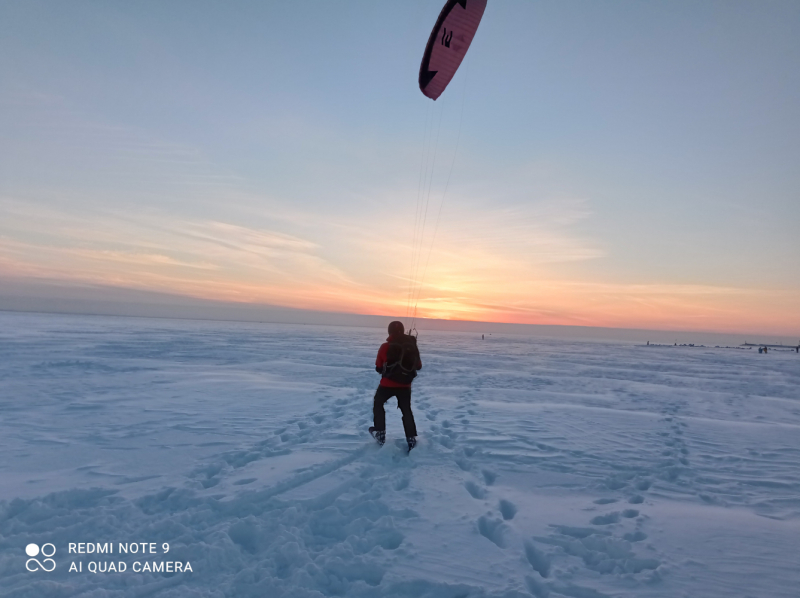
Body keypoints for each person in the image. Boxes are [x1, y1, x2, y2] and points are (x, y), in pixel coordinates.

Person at [370, 321, 422, 451]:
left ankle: (380, 432)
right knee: (406, 410)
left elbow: (378, 367)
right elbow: (419, 366)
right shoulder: (412, 346)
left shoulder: (385, 347)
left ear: (389, 331)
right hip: (405, 385)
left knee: (378, 403)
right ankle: (411, 438)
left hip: (387, 384)